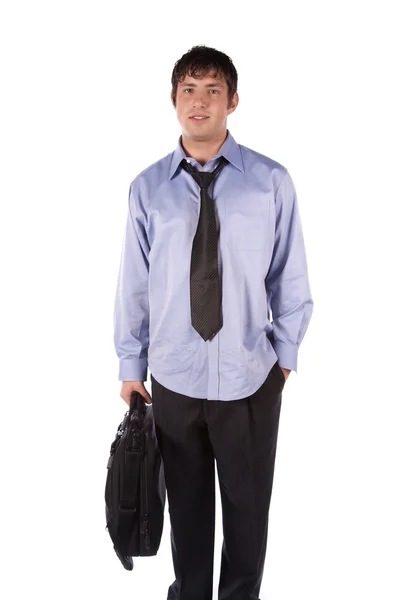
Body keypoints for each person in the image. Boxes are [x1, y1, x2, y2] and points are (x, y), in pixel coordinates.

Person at [113, 44, 313, 600]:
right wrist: (132, 365)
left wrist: (283, 362)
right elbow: (134, 285)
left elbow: (289, 277)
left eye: (212, 90)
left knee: (248, 531)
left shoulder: (270, 182)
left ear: (233, 100)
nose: (199, 102)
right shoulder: (147, 189)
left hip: (252, 381)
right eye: (188, 90)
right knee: (189, 527)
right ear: (174, 100)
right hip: (174, 381)